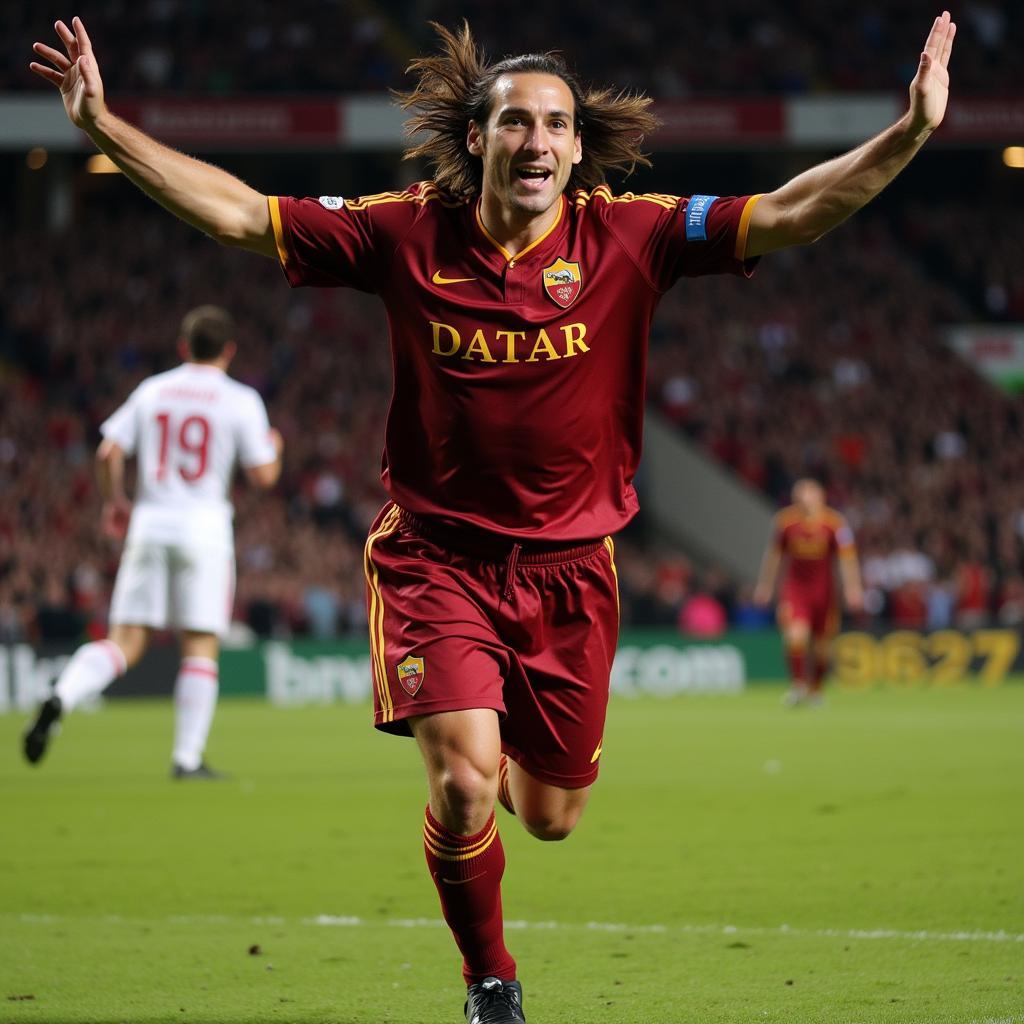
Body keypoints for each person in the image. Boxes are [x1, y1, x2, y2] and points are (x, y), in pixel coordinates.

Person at [29, 12, 955, 1019]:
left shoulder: (630, 235)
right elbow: (246, 216)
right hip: (437, 561)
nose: (539, 142)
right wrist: (106, 127)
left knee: (549, 817)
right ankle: (490, 980)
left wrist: (905, 133)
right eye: (517, 122)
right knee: (465, 787)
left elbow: (786, 211)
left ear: (573, 145)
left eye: (556, 125)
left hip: (571, 574)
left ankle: (500, 748)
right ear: (478, 138)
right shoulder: (401, 231)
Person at [23, 305, 283, 777]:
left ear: (183, 347)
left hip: (150, 524)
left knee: (124, 641)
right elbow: (263, 476)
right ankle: (186, 759)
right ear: (229, 350)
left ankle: (62, 694)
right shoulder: (240, 398)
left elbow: (107, 452)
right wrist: (277, 448)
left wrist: (115, 500)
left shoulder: (153, 390)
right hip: (204, 531)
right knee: (200, 645)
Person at [754, 479, 864, 705]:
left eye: (810, 496)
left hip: (824, 592)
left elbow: (847, 559)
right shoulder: (785, 522)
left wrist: (853, 588)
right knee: (796, 635)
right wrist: (765, 585)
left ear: (820, 497)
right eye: (801, 497)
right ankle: (798, 686)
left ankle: (816, 690)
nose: (805, 501)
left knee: (823, 646)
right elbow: (774, 556)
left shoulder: (834, 524)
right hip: (795, 589)